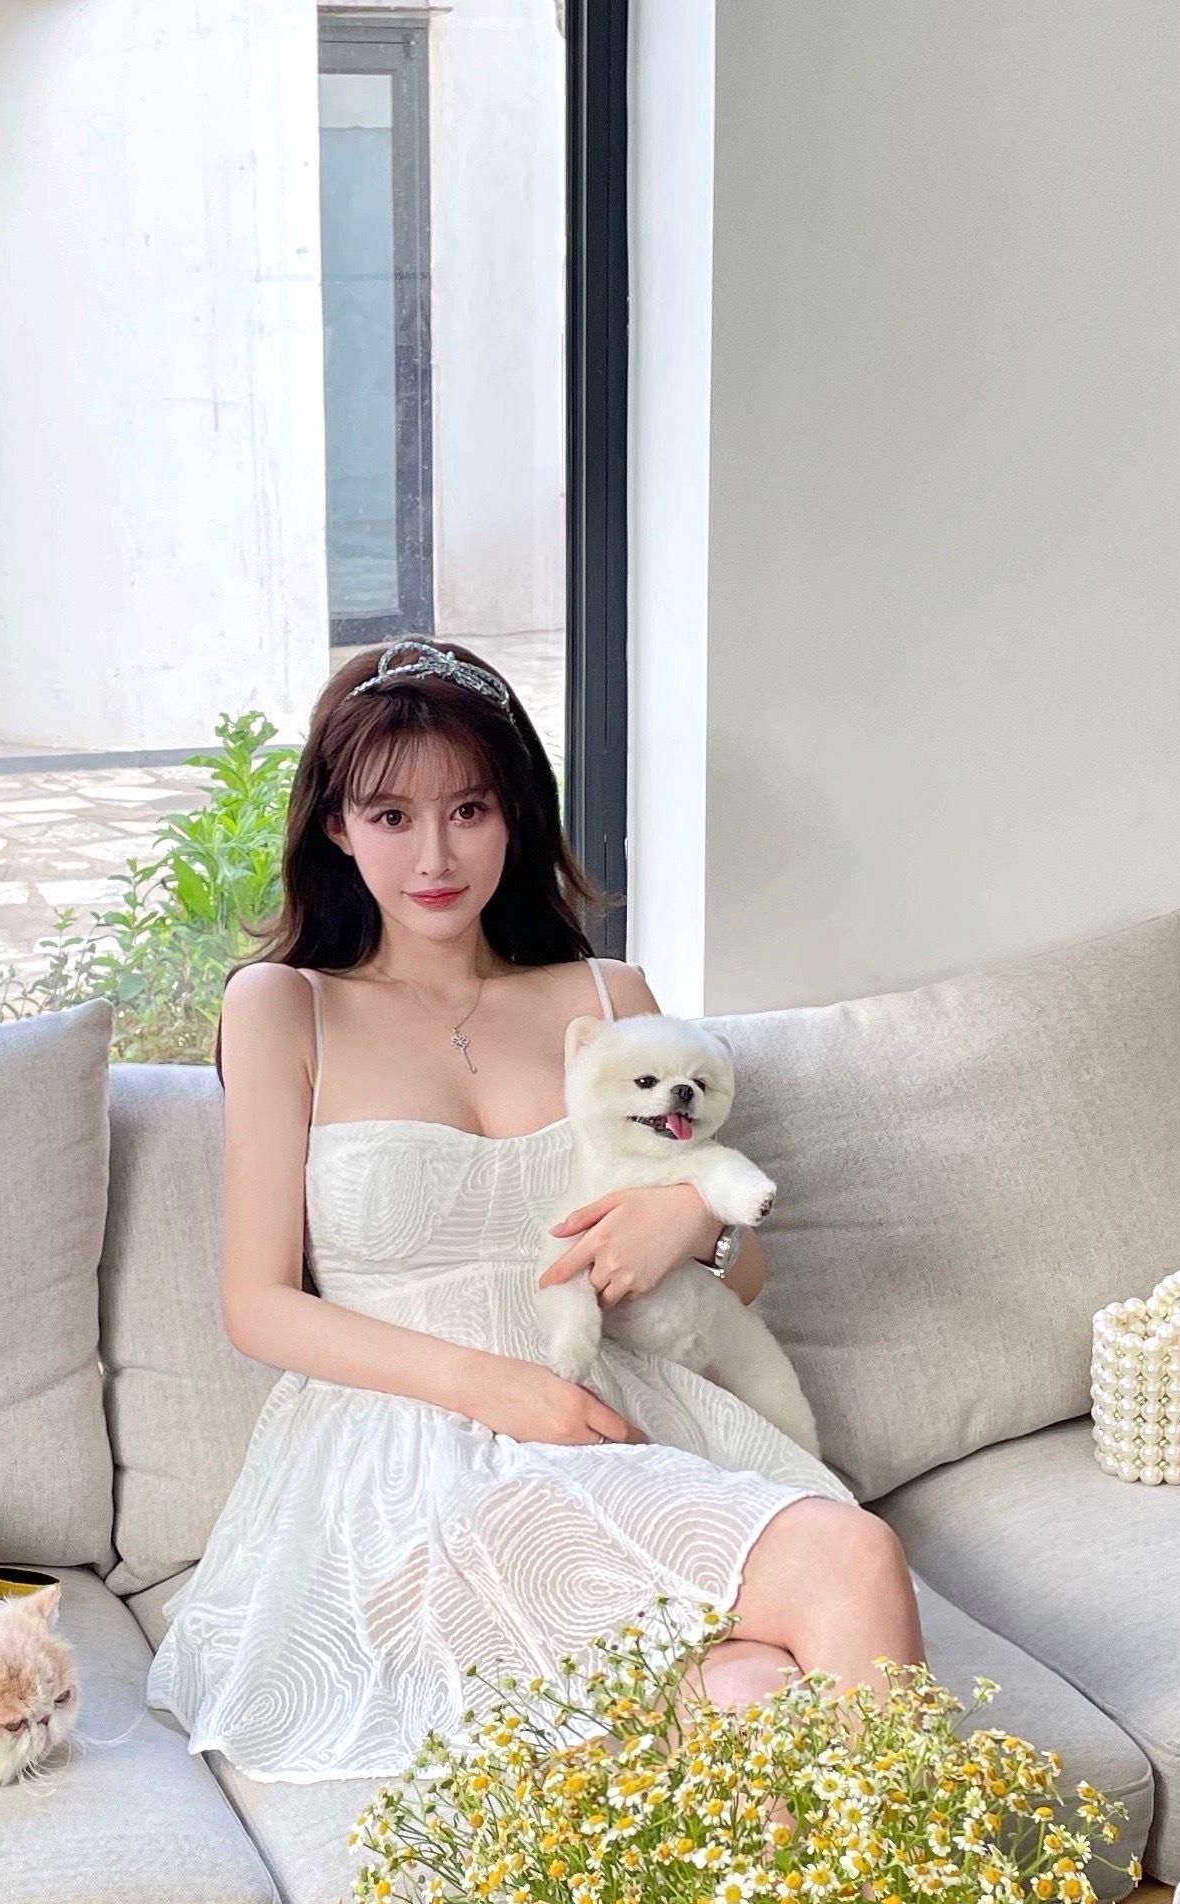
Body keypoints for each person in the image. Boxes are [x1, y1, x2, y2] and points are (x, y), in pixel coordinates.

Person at [146, 638, 924, 1781]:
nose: (434, 856)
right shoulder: (283, 1008)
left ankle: (877, 1896)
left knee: (758, 1684)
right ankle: (909, 1886)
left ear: (513, 815)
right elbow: (256, 1304)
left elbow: (738, 1287)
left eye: (467, 809)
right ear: (336, 827)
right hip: (410, 1456)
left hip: (620, 1417)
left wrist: (692, 1222)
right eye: (391, 816)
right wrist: (494, 1387)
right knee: (848, 1563)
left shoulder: (608, 994)